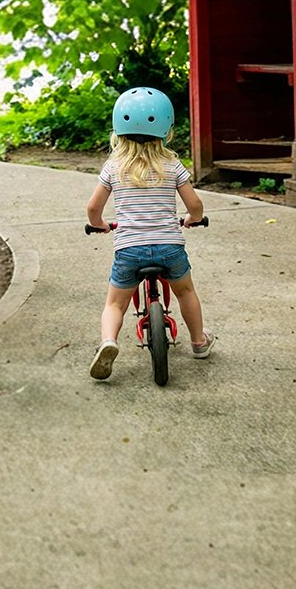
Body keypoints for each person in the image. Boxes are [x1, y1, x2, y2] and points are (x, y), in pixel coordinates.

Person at [85, 85, 215, 380]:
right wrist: (193, 219)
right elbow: (195, 204)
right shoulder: (172, 165)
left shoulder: (113, 167)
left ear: (118, 128)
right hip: (170, 247)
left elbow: (93, 209)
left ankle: (108, 341)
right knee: (186, 292)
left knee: (114, 303)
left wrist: (100, 224)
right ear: (167, 127)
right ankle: (198, 342)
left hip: (129, 249)